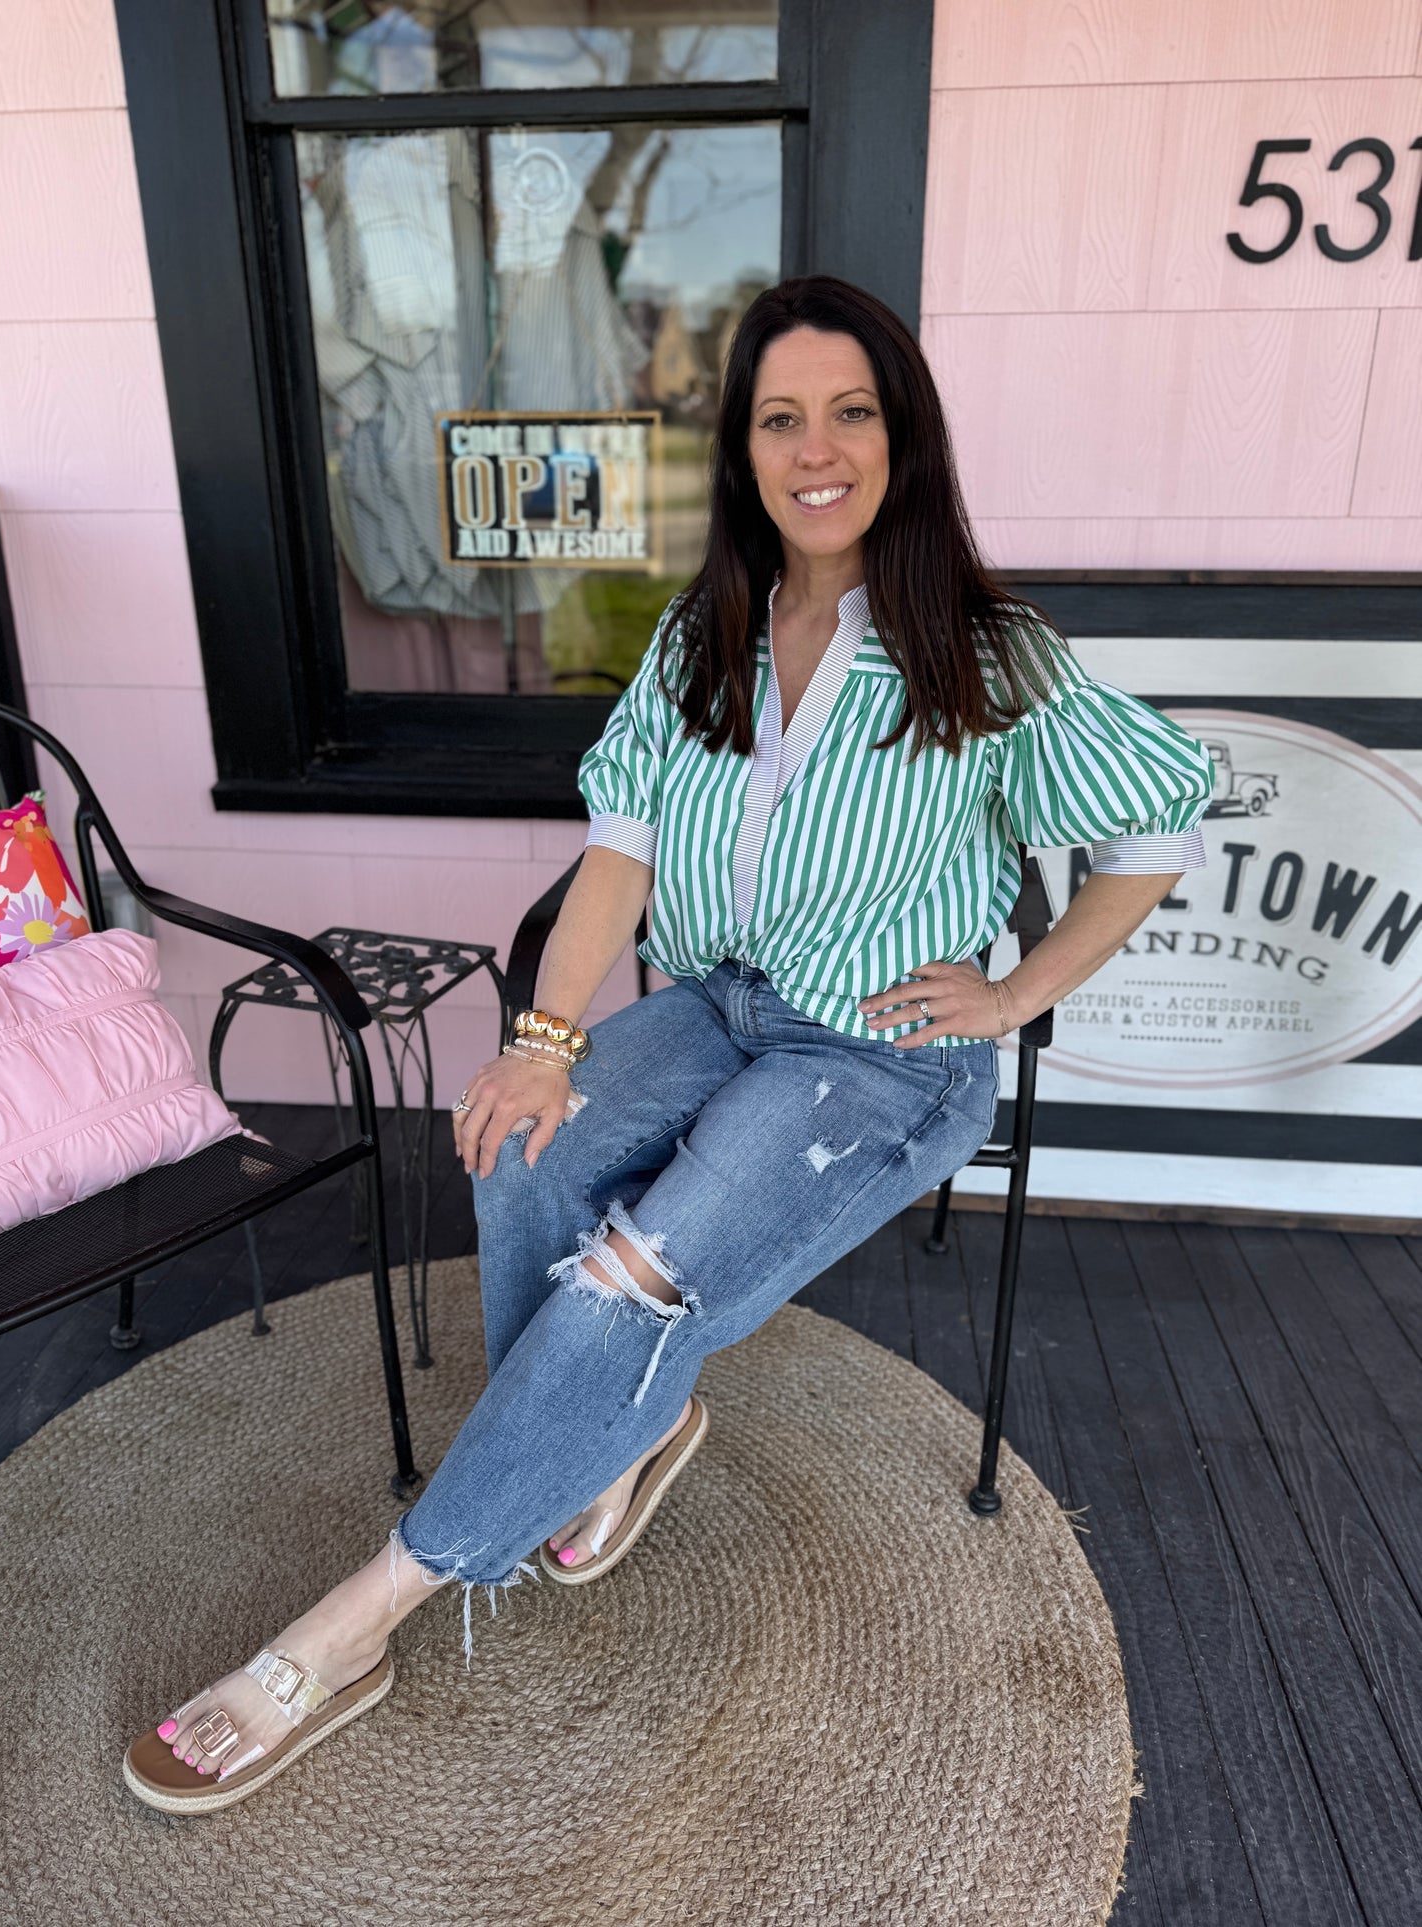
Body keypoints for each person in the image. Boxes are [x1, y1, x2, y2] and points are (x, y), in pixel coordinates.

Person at [123, 274, 1214, 1813]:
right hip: (720, 1003)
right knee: (523, 1152)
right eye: (780, 416)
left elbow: (1157, 817)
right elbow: (617, 865)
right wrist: (542, 1042)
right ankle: (612, 1437)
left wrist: (1022, 989)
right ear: (743, 446)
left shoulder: (986, 647)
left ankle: (360, 1619)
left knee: (641, 1272)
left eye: (851, 412)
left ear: (903, 437)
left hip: (880, 1060)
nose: (814, 448)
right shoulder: (704, 635)